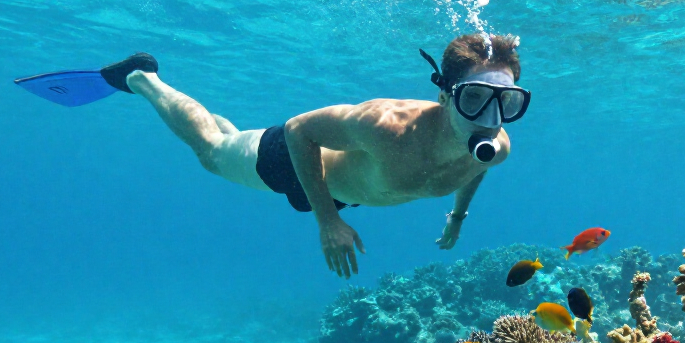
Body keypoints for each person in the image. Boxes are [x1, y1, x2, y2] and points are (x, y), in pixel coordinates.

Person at [100, 33, 529, 278]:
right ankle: (142, 77)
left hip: (346, 191)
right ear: (443, 94)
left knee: (227, 144)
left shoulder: (497, 147)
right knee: (210, 154)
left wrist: (457, 218)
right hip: (297, 163)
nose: (490, 118)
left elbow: (477, 166)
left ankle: (229, 133)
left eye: (506, 103)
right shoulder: (387, 125)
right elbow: (298, 129)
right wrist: (328, 220)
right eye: (475, 98)